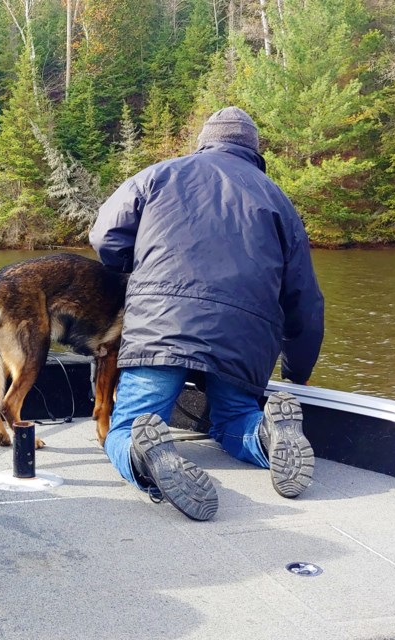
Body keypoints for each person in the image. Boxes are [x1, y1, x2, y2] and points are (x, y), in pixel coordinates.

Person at [89, 106, 325, 521]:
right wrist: (297, 369)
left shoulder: (157, 175)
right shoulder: (277, 199)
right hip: (246, 337)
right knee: (234, 419)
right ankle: (267, 436)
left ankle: (145, 457)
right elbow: (303, 297)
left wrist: (136, 263)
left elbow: (105, 236)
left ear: (203, 142)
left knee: (128, 426)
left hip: (162, 324)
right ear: (254, 151)